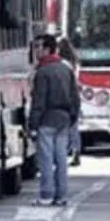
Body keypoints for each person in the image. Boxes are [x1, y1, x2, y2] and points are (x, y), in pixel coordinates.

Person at [28, 34, 80, 206]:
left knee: (46, 160)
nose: (35, 51)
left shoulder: (42, 72)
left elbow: (39, 100)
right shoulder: (65, 69)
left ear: (47, 49)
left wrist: (33, 124)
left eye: (38, 47)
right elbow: (75, 96)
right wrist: (73, 117)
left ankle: (47, 194)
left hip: (47, 119)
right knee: (61, 159)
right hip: (64, 119)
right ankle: (61, 195)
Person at [57, 36, 82, 167]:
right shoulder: (73, 61)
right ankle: (76, 151)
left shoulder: (61, 63)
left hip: (65, 96)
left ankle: (64, 152)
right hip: (74, 96)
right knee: (74, 127)